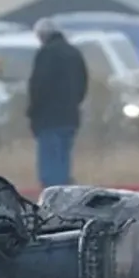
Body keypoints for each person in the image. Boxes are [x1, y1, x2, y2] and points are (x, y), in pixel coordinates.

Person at [28, 18, 88, 188]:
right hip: (70, 115)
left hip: (48, 117)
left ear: (42, 35)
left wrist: (33, 111)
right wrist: (74, 102)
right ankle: (64, 192)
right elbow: (83, 83)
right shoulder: (74, 53)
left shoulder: (46, 53)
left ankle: (52, 194)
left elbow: (38, 86)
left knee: (50, 163)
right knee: (63, 159)